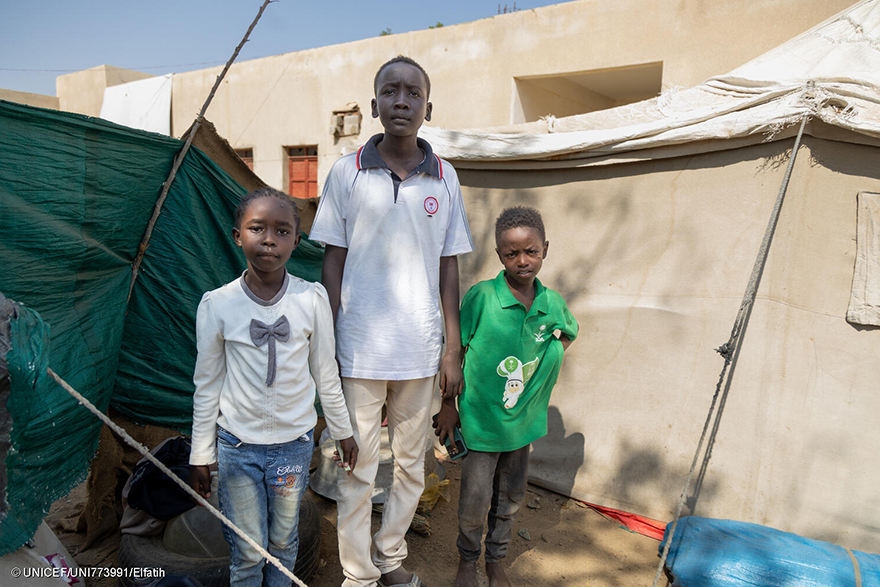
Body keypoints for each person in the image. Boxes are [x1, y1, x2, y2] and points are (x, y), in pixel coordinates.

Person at [309, 55, 474, 587]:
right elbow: (332, 258)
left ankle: (390, 556)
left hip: (420, 350)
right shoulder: (347, 171)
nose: (401, 100)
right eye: (391, 91)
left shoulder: (446, 178)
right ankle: (358, 575)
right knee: (356, 468)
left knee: (412, 465)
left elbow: (449, 266)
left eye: (413, 93)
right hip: (358, 349)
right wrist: (330, 337)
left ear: (429, 106)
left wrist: (451, 348)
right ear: (375, 100)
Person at [188, 187, 358, 587]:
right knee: (247, 549)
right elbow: (207, 384)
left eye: (282, 231)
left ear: (296, 242)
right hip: (238, 448)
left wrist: (343, 429)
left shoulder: (311, 299)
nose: (269, 239)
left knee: (283, 542)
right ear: (237, 236)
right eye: (257, 228)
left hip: (292, 447)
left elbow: (325, 373)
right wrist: (201, 452)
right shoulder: (218, 305)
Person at [434, 206, 578, 587]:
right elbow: (456, 352)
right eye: (511, 253)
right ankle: (468, 561)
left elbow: (567, 334)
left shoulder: (552, 305)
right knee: (474, 500)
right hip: (482, 419)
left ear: (545, 249)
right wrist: (447, 406)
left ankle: (496, 560)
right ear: (499, 255)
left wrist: (547, 362)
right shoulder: (483, 297)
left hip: (523, 422)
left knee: (511, 496)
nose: (522, 261)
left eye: (531, 251)